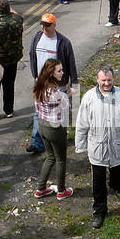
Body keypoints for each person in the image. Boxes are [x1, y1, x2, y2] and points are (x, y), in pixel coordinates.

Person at [73, 66, 120, 229]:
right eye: (103, 80)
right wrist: (80, 145)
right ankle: (99, 211)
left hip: (119, 147)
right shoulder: (89, 97)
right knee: (98, 182)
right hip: (97, 148)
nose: (106, 83)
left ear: (113, 80)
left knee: (118, 171)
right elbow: (81, 123)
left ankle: (117, 186)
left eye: (109, 80)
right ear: (97, 80)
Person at [25, 13, 77, 154]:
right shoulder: (37, 37)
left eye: (47, 25)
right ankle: (37, 143)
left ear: (54, 25)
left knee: (60, 112)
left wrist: (74, 83)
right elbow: (32, 55)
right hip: (41, 82)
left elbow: (71, 63)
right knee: (38, 112)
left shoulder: (63, 42)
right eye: (42, 24)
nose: (44, 27)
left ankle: (59, 138)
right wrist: (35, 75)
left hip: (58, 84)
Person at [31, 59, 72, 200]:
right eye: (59, 71)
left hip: (42, 126)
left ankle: (40, 189)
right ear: (51, 73)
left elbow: (37, 108)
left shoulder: (39, 87)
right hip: (55, 129)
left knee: (49, 157)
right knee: (60, 159)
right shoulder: (56, 93)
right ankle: (61, 191)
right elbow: (67, 108)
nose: (62, 73)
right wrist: (69, 93)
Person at [0, 0, 25, 121]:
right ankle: (9, 110)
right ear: (8, 8)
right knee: (9, 84)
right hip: (13, 58)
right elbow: (17, 15)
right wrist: (10, 8)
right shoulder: (17, 20)